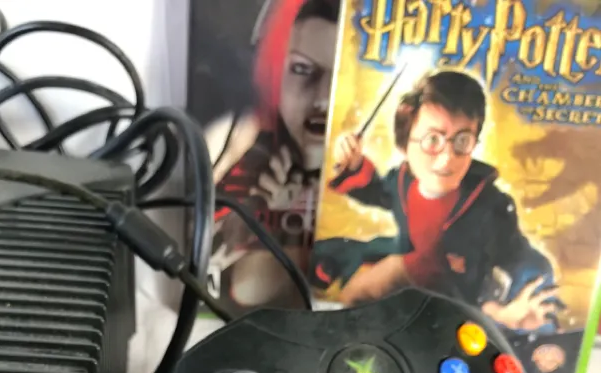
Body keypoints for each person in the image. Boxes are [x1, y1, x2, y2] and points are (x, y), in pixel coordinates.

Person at [311, 69, 560, 332]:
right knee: (350, 295)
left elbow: (520, 257)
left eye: (462, 141)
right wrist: (354, 165)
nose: (447, 159)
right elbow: (378, 192)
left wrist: (517, 305)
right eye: (432, 140)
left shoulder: (491, 206)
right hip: (409, 274)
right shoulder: (403, 180)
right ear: (404, 144)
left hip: (461, 298)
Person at [209, 0, 339, 310]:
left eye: (340, 77)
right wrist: (271, 222)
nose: (323, 98)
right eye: (302, 69)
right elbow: (247, 291)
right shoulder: (242, 149)